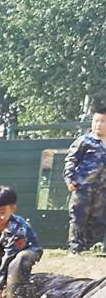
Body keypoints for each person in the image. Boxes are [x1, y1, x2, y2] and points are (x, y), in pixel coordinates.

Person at [63, 107, 106, 253]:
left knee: (98, 219)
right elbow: (71, 160)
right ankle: (75, 248)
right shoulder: (85, 141)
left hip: (102, 190)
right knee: (78, 217)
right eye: (96, 121)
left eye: (102, 121)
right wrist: (69, 179)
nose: (98, 124)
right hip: (83, 187)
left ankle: (92, 247)